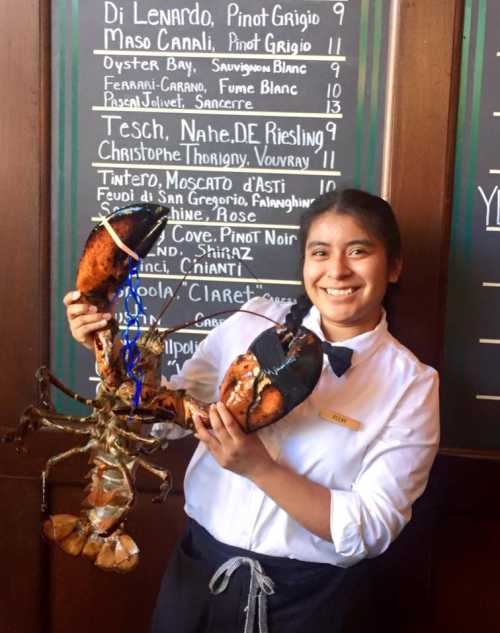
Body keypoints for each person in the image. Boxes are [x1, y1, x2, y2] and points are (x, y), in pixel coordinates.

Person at [65, 189, 440, 633]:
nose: (337, 270)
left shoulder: (411, 385)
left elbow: (369, 529)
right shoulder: (250, 321)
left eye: (359, 252)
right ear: (305, 263)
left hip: (307, 603)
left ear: (393, 266)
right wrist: (105, 348)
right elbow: (162, 421)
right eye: (320, 252)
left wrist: (258, 468)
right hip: (198, 576)